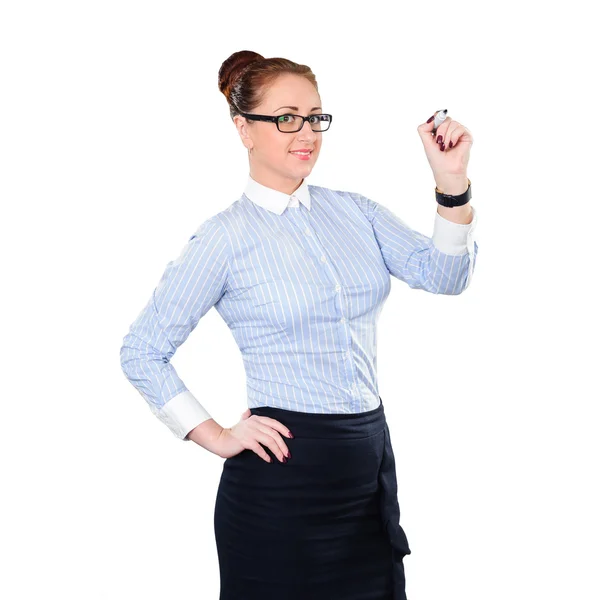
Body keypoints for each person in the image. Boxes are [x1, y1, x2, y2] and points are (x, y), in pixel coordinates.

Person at [119, 49, 478, 600]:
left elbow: (444, 276)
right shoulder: (224, 238)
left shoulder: (356, 212)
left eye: (314, 117)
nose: (305, 132)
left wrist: (451, 184)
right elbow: (142, 350)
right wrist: (212, 433)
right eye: (286, 118)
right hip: (282, 481)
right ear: (244, 128)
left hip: (367, 468)